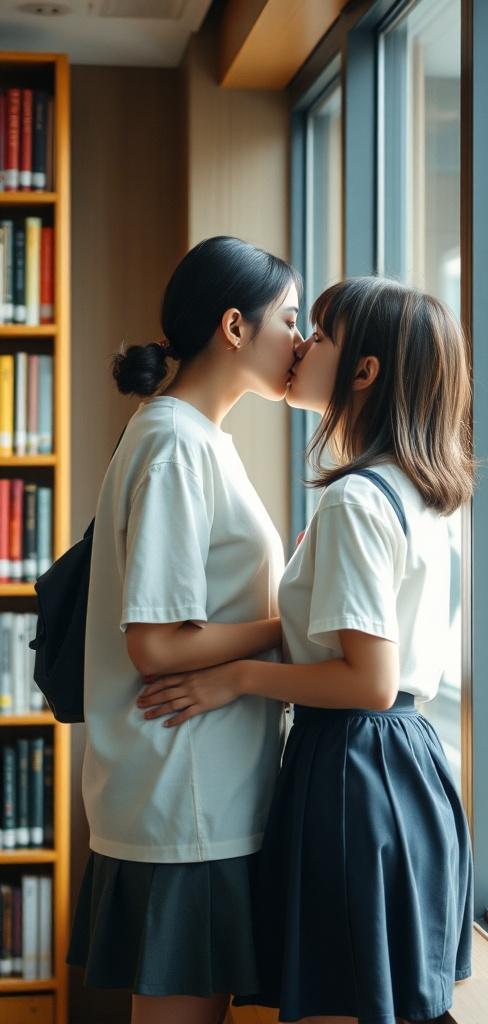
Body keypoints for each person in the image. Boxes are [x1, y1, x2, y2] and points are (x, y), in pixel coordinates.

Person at [138, 276, 475, 1024]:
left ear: (365, 371)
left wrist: (235, 679)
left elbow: (369, 681)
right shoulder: (417, 495)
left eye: (319, 334)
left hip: (354, 770)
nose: (300, 344)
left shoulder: (357, 500)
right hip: (409, 770)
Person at [67, 236, 303, 1024]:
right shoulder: (175, 443)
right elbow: (156, 644)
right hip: (184, 798)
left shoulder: (193, 438)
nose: (300, 342)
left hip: (198, 793)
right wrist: (285, 627)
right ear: (235, 327)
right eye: (290, 320)